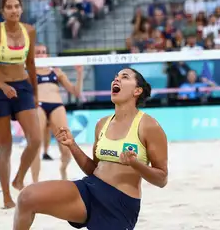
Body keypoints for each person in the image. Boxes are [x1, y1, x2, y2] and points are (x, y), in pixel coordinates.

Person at [13, 68, 168, 230]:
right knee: (26, 198)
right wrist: (73, 145)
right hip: (90, 190)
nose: (116, 80)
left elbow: (162, 179)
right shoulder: (102, 123)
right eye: (115, 77)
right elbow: (93, 170)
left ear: (137, 90)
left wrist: (135, 164)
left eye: (124, 77)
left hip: (119, 205)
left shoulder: (149, 126)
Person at [0, 0, 41, 209]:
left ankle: (19, 178)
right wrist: (3, 86)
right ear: (2, 11)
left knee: (36, 140)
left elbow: (31, 63)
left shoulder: (30, 31)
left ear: (21, 9)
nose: (14, 10)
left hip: (23, 87)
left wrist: (35, 93)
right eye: (9, 7)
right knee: (5, 147)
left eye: (17, 6)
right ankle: (7, 196)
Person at [30, 44, 84, 183]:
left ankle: (63, 169)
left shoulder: (56, 71)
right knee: (36, 145)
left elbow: (76, 92)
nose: (41, 54)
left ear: (47, 55)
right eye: (38, 52)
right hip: (38, 105)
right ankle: (35, 181)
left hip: (56, 105)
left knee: (67, 146)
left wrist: (79, 73)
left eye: (43, 52)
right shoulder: (29, 71)